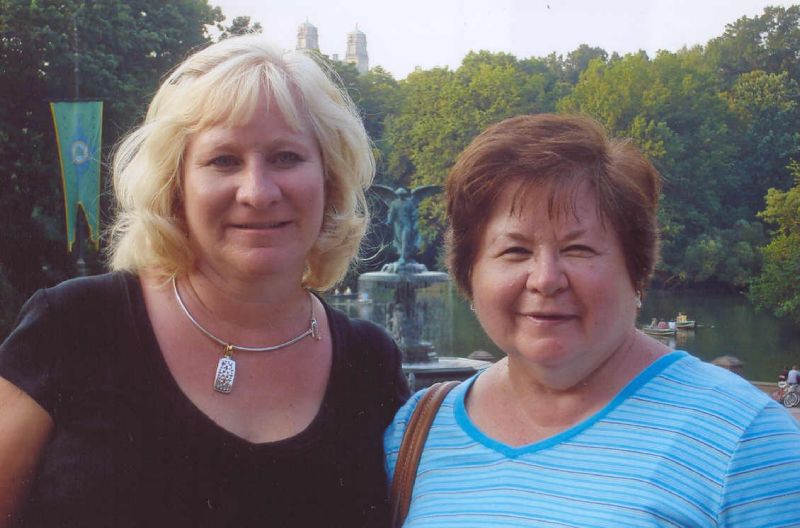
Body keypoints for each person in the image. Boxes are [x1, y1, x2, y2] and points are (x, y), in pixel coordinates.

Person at [0, 36, 409, 527]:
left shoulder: (371, 363)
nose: (257, 192)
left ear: (330, 178)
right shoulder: (74, 327)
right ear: (176, 186)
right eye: (223, 161)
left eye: (286, 157)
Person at [385, 114, 800, 526]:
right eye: (515, 251)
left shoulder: (747, 441)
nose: (545, 279)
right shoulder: (418, 431)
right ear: (470, 274)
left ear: (636, 269)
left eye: (578, 248)